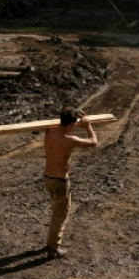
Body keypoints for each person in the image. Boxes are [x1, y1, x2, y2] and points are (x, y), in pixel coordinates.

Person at [42, 107, 98, 258]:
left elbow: (56, 122)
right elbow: (94, 142)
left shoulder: (49, 133)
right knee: (60, 216)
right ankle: (54, 248)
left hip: (48, 179)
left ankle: (51, 243)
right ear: (72, 124)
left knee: (57, 212)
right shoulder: (70, 140)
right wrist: (88, 126)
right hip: (60, 182)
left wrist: (71, 114)